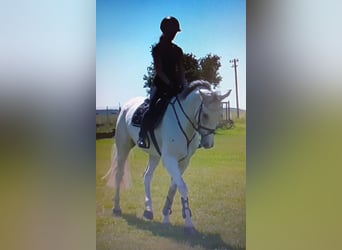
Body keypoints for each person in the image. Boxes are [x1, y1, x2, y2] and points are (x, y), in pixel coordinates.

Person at [137, 16, 186, 148]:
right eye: (173, 31)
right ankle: (142, 135)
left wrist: (184, 85)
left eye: (176, 32)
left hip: (175, 85)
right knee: (152, 106)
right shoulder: (157, 49)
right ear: (165, 30)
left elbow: (181, 69)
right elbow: (159, 70)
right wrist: (169, 83)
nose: (174, 35)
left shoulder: (178, 50)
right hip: (160, 84)